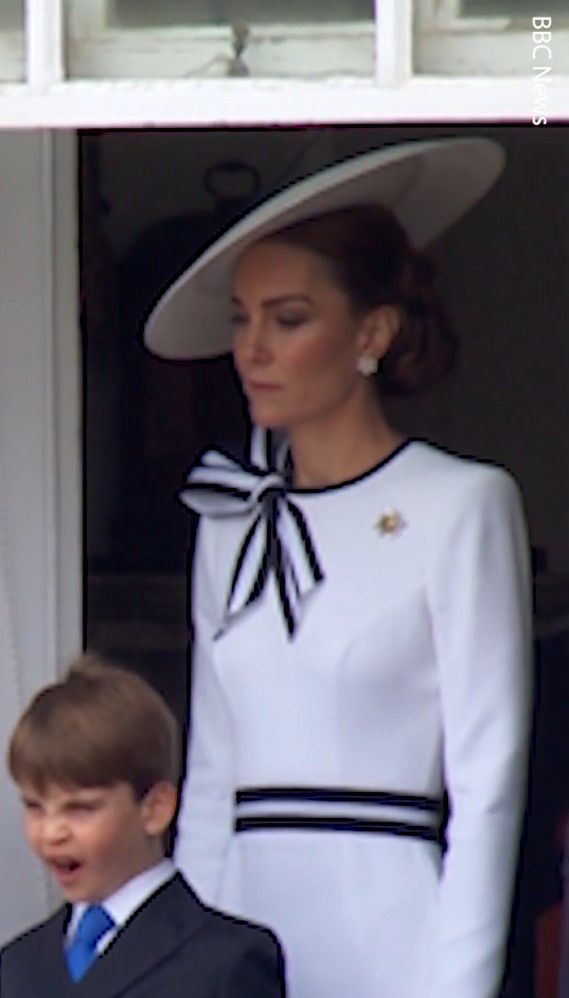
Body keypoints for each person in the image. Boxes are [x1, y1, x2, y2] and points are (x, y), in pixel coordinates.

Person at [144, 138, 533, 998]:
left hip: (388, 932)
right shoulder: (227, 517)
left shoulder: (459, 504)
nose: (252, 348)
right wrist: (182, 973)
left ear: (371, 333)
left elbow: (488, 784)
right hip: (243, 928)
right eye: (241, 319)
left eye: (286, 320)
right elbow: (210, 777)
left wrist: (458, 986)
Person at [0, 654, 286, 997]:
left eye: (80, 809)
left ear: (154, 809)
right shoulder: (18, 963)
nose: (51, 832)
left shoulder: (227, 960)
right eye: (35, 807)